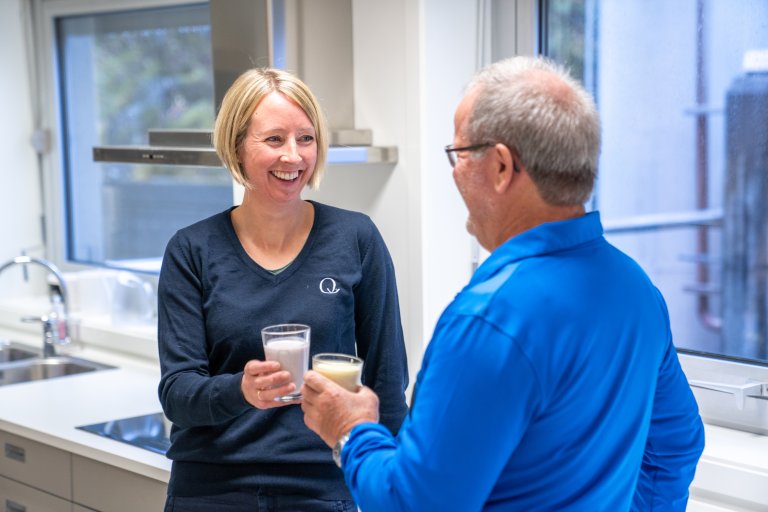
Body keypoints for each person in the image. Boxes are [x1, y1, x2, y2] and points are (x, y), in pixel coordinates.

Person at [301, 56, 705, 511]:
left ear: (499, 166)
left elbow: (416, 504)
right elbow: (677, 443)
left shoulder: (491, 320)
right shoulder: (634, 289)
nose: (453, 172)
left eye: (458, 155)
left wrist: (353, 432)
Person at [157, 67, 409, 511]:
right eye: (274, 139)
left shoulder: (356, 239)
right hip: (212, 488)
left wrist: (393, 489)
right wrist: (241, 390)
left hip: (323, 487)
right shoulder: (191, 250)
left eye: (306, 139)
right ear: (237, 146)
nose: (293, 156)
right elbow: (177, 393)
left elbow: (387, 382)